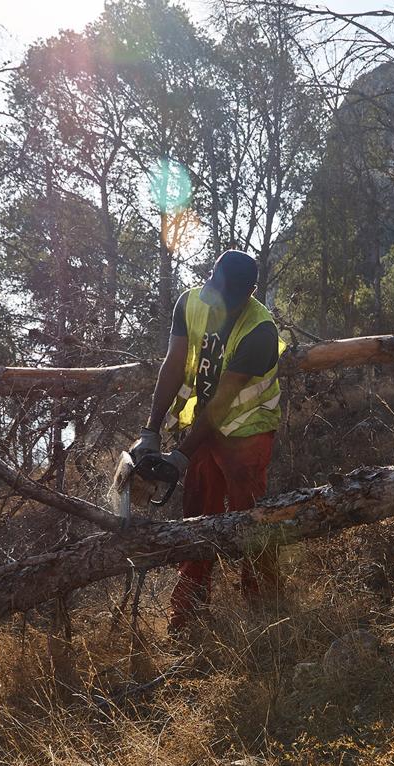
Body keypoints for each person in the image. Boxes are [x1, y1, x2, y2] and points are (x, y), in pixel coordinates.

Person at [130, 249, 285, 634]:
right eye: (215, 289)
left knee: (251, 518)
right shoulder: (190, 302)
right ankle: (188, 612)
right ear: (209, 276)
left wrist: (181, 456)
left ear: (250, 292)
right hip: (203, 429)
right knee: (198, 517)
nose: (219, 302)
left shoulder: (260, 331)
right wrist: (150, 432)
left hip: (247, 432)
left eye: (230, 297)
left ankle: (265, 608)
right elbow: (174, 362)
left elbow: (223, 402)